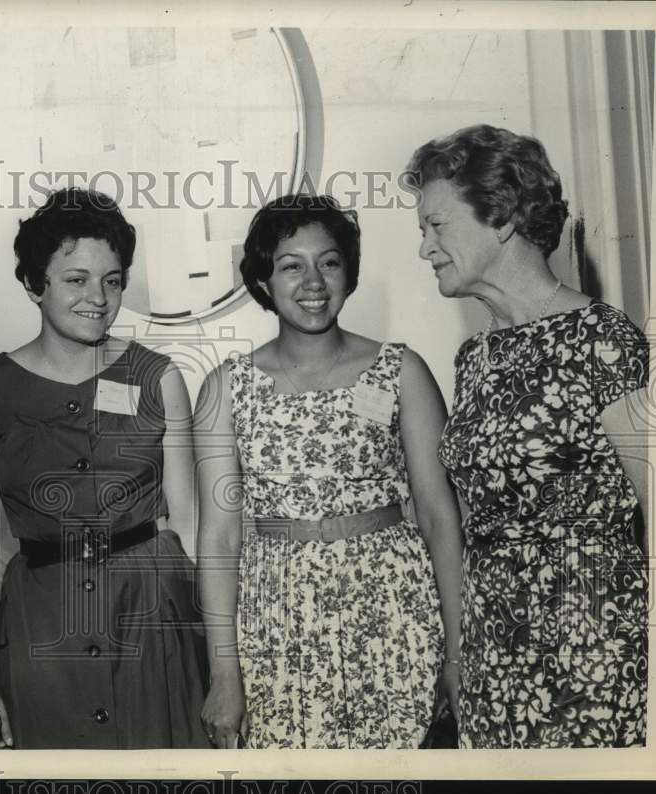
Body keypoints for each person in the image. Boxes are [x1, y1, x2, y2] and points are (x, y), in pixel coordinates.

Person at [407, 123, 650, 748]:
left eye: (438, 225)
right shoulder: (475, 357)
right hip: (496, 648)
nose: (425, 247)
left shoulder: (601, 338)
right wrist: (460, 654)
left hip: (592, 642)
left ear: (503, 216)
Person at [195, 194, 463, 749]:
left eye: (330, 262)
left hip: (394, 612)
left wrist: (460, 653)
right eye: (291, 265)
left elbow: (440, 518)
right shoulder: (227, 387)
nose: (313, 281)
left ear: (349, 273)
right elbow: (218, 539)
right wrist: (225, 675)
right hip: (277, 623)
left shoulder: (400, 370)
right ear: (264, 281)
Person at [0, 187, 209, 749]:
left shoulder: (159, 377)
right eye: (76, 279)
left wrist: (212, 654)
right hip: (42, 625)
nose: (98, 297)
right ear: (32, 283)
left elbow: (189, 526)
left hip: (152, 616)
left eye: (112, 280)